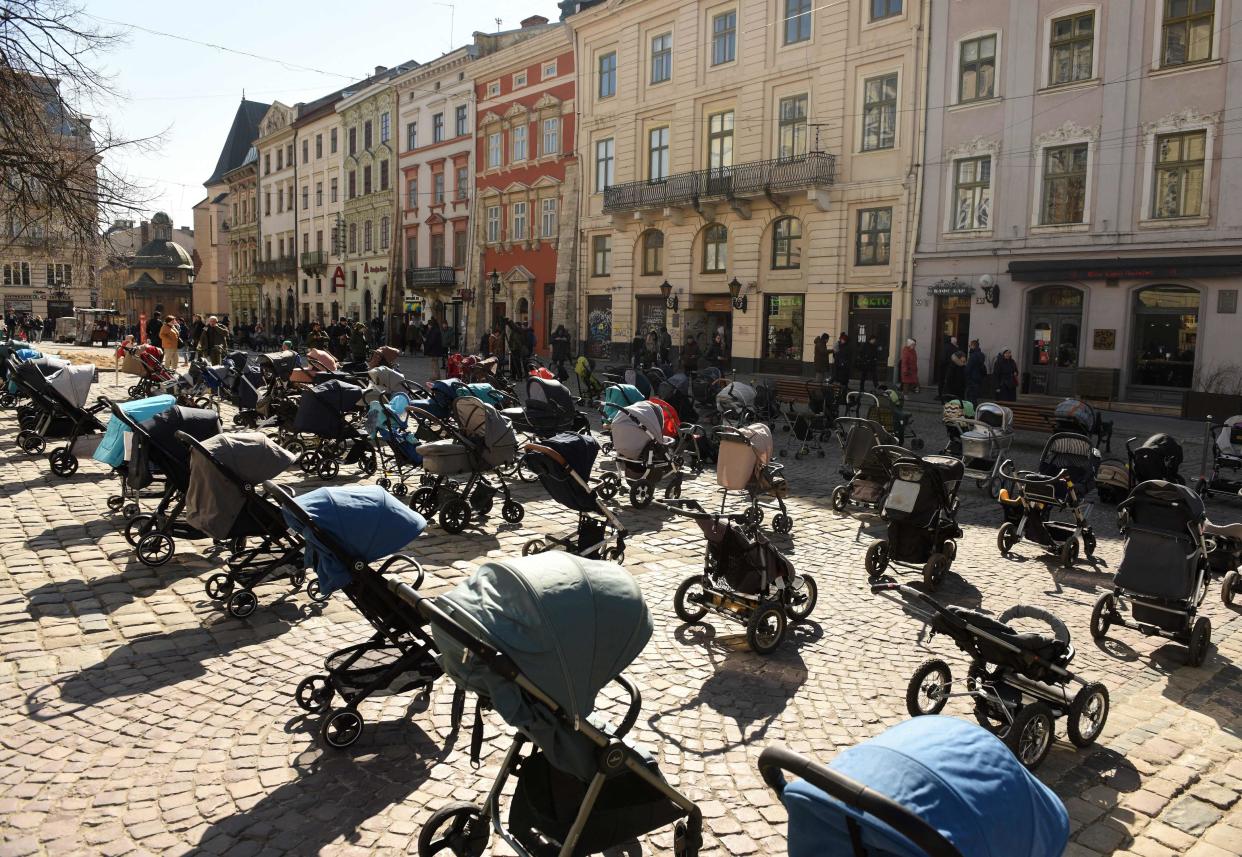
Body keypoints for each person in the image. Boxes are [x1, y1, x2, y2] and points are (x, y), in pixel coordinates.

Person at [964, 339, 987, 405]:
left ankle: (971, 412)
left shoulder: (973, 356)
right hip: (978, 378)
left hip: (972, 379)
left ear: (973, 346)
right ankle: (975, 410)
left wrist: (967, 378)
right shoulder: (981, 355)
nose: (969, 347)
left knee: (970, 397)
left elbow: (968, 369)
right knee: (975, 397)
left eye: (970, 345)